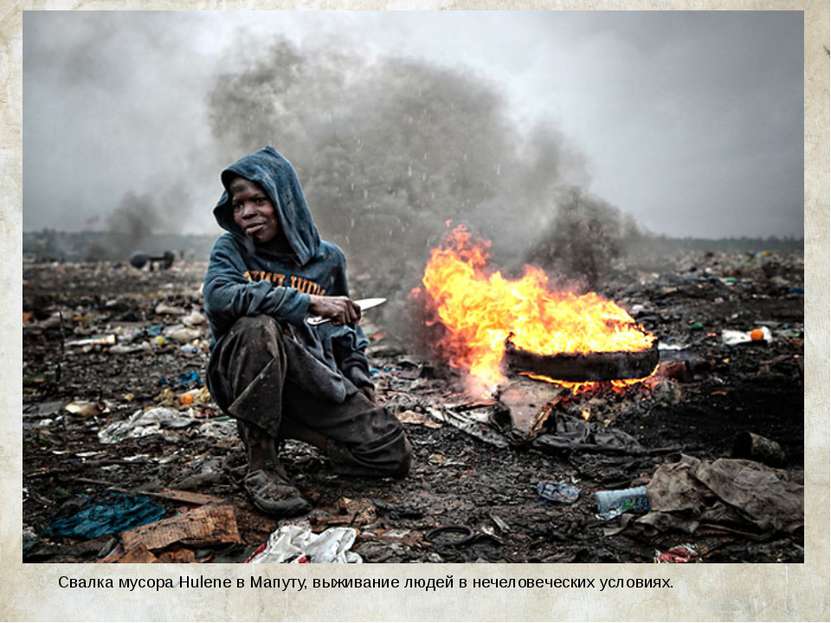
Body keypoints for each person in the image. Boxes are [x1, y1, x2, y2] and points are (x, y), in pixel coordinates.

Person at [203, 146, 411, 517]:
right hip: (243, 374)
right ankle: (261, 463)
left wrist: (360, 382)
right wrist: (308, 303)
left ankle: (300, 431)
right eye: (238, 204)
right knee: (258, 327)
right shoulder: (231, 247)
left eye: (259, 200)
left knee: (392, 453)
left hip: (310, 376)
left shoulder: (327, 259)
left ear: (284, 200)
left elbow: (346, 333)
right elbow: (220, 297)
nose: (247, 212)